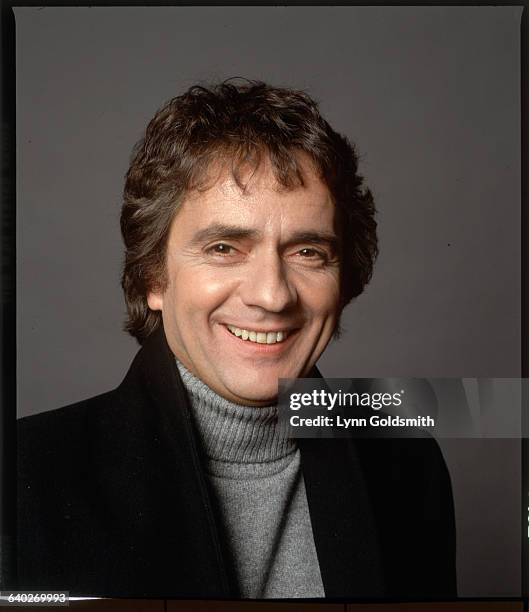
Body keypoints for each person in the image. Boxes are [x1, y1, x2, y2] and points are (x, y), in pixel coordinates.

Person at [17, 80, 456, 599]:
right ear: (153, 278)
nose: (272, 295)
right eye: (225, 247)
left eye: (308, 252)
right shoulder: (23, 476)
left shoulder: (405, 460)